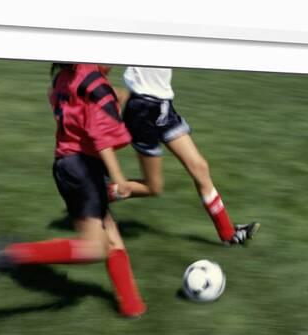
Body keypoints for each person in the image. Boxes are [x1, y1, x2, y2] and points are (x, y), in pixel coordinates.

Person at [0, 63, 146, 318]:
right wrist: (119, 179)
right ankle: (14, 254)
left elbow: (74, 100)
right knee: (94, 248)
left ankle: (132, 306)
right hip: (84, 168)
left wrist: (117, 95)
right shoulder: (95, 84)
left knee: (112, 239)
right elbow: (101, 137)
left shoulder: (66, 77)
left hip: (66, 165)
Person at [110, 66, 260, 245]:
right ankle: (93, 196)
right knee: (153, 187)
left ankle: (228, 234)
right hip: (143, 110)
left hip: (164, 106)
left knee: (200, 167)